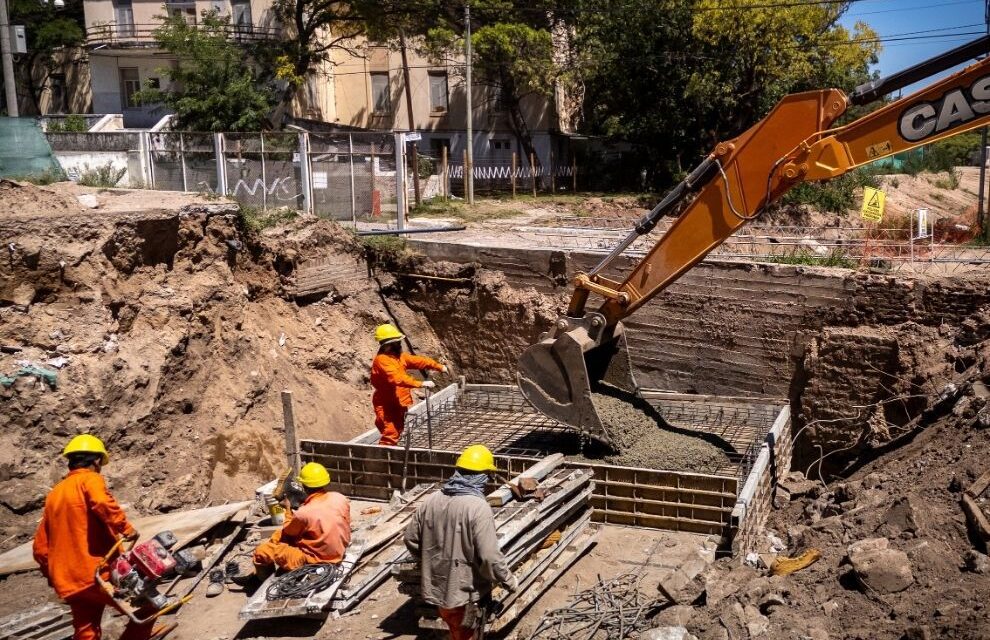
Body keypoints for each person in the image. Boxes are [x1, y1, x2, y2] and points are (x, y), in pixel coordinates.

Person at [33, 434, 152, 640]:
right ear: (96, 460)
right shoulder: (89, 479)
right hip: (96, 573)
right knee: (148, 607)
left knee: (86, 631)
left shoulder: (54, 494)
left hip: (69, 581)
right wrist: (125, 528)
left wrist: (55, 576)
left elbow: (40, 548)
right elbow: (101, 501)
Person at [404, 445, 518, 640]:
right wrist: (509, 580)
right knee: (467, 634)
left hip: (439, 591)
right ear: (482, 476)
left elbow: (411, 539)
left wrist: (430, 563)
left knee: (456, 629)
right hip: (465, 594)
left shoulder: (431, 500)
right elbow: (490, 557)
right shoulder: (478, 507)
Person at [250, 462, 351, 575]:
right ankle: (273, 545)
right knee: (278, 535)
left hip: (315, 560)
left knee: (261, 551)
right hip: (339, 549)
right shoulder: (340, 498)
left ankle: (257, 581)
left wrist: (288, 509)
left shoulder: (304, 513)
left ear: (304, 486)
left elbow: (289, 531)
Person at [370, 323, 446, 446]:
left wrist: (438, 366)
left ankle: (390, 454)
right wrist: (420, 384)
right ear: (388, 345)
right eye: (397, 342)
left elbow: (419, 361)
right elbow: (397, 378)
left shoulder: (399, 357)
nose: (400, 344)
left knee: (396, 431)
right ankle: (385, 462)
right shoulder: (382, 361)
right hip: (387, 404)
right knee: (390, 434)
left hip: (399, 402)